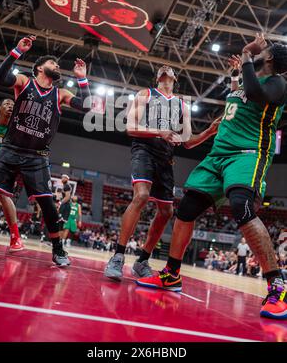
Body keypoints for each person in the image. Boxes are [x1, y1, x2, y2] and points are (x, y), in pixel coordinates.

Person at [136, 33, 287, 320]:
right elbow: (242, 95)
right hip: (218, 155)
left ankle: (277, 286)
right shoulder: (246, 80)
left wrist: (245, 54)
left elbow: (257, 95)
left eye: (263, 49)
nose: (258, 50)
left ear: (268, 58)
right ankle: (171, 274)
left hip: (247, 153)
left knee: (242, 208)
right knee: (185, 211)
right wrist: (236, 74)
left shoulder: (278, 83)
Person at [104, 65, 219, 281]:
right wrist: (160, 131)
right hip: (144, 150)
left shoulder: (182, 104)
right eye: (162, 68)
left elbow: (187, 141)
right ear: (158, 76)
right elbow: (130, 127)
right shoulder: (145, 94)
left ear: (176, 77)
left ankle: (142, 260)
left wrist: (208, 132)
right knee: (141, 195)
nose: (166, 69)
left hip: (166, 157)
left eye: (170, 69)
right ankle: (118, 256)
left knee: (166, 212)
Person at [0, 35, 91, 266]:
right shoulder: (24, 82)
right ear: (39, 68)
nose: (57, 66)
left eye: (57, 64)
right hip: (10, 148)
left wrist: (83, 80)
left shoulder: (60, 94)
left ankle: (58, 250)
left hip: (37, 156)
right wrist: (16, 51)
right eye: (52, 63)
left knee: (47, 205)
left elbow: (87, 105)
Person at [0, 98, 24, 251]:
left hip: (4, 166)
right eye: (7, 104)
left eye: (13, 105)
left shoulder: (15, 128)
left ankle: (16, 238)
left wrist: (0, 155)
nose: (10, 106)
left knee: (3, 196)